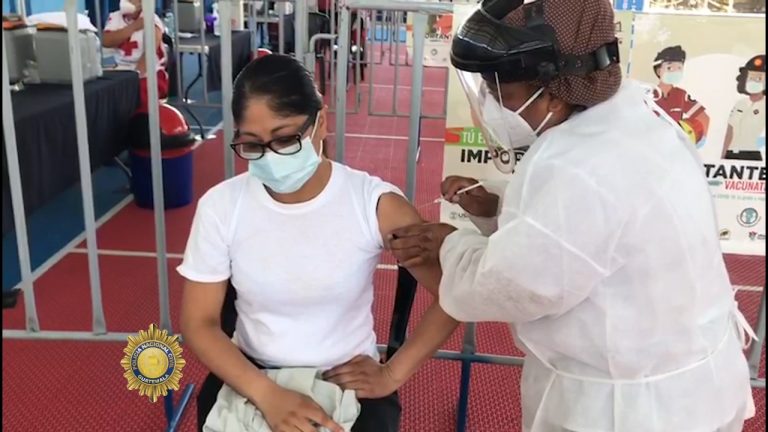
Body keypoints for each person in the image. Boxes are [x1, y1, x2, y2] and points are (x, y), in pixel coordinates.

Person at [388, 0, 756, 431]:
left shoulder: (575, 165)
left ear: (555, 93)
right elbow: (599, 228)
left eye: (501, 94)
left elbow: (514, 284)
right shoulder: (634, 118)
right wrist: (499, 207)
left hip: (629, 411)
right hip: (692, 384)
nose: (490, 104)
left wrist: (450, 244)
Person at [178, 54, 458, 432]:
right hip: (251, 376)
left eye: (285, 139)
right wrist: (267, 394)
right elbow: (199, 322)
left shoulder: (374, 205)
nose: (270, 157)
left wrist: (393, 374)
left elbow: (454, 294)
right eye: (253, 145)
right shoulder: (222, 206)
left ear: (321, 123)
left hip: (345, 380)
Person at [103, 0, 169, 111]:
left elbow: (148, 56)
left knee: (138, 93)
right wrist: (133, 27)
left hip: (150, 72)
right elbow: (106, 41)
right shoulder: (115, 17)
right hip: (121, 70)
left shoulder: (151, 19)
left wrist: (133, 79)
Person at [651, 45, 710, 145]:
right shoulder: (648, 94)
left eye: (679, 68)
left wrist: (699, 140)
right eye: (670, 68)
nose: (675, 71)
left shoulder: (681, 95)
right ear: (659, 71)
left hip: (674, 145)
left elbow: (703, 118)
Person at [722, 54, 766, 161]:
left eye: (759, 78)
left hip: (753, 155)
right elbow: (730, 131)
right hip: (731, 153)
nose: (754, 81)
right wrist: (723, 155)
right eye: (751, 77)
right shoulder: (740, 104)